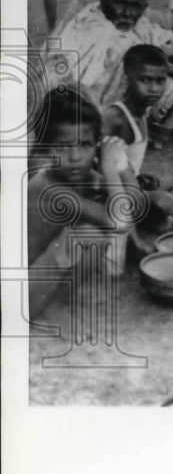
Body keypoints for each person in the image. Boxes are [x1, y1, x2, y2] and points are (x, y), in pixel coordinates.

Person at [27, 89, 132, 317]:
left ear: (97, 146)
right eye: (62, 146)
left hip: (38, 277)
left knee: (92, 230)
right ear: (46, 148)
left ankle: (56, 302)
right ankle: (53, 307)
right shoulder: (47, 186)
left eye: (85, 145)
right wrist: (109, 167)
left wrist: (120, 162)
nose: (74, 157)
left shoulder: (80, 175)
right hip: (17, 293)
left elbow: (129, 202)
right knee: (90, 235)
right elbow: (120, 222)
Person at [102, 45, 173, 236]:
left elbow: (163, 136)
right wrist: (133, 189)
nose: (154, 89)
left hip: (135, 185)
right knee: (166, 202)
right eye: (145, 80)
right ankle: (155, 220)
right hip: (116, 194)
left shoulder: (142, 111)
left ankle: (153, 217)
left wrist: (140, 176)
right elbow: (105, 168)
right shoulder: (116, 117)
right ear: (127, 77)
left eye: (160, 81)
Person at [46, 0, 171, 108]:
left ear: (144, 7)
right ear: (104, 0)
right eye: (120, 4)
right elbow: (57, 71)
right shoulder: (84, 25)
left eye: (135, 6)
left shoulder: (144, 27)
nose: (127, 13)